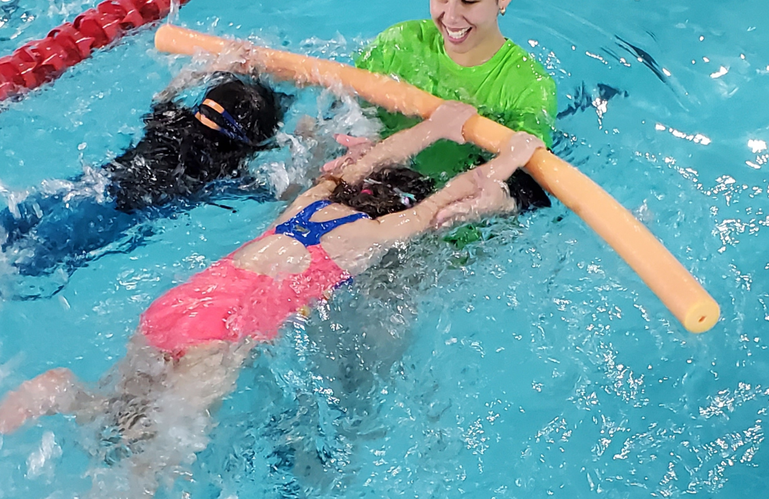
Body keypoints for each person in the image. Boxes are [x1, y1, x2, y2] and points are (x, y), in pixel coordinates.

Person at [0, 101, 543, 496]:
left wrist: (434, 127)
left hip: (176, 310)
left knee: (115, 406)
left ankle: (55, 392)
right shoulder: (365, 239)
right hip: (219, 337)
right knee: (154, 466)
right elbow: (445, 206)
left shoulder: (311, 200)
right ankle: (83, 430)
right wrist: (510, 159)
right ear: (388, 209)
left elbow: (369, 158)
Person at [0, 74, 282, 300]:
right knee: (18, 268)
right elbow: (278, 192)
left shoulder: (169, 117)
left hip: (85, 184)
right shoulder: (224, 169)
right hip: (109, 214)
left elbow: (165, 93)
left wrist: (199, 74)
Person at [355, 0, 557, 184]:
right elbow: (345, 114)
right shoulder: (397, 45)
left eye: (468, 1)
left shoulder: (527, 89)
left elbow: (519, 186)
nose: (449, 16)